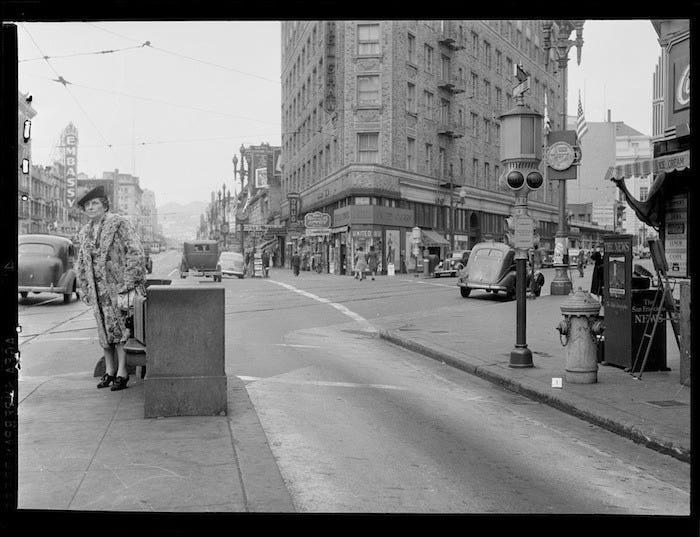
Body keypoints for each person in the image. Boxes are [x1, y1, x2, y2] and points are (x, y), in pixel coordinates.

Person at [75, 185, 147, 392]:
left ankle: (122, 372)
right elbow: (82, 262)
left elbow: (135, 252)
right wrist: (84, 286)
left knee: (121, 329)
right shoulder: (85, 232)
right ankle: (109, 370)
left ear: (104, 205)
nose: (90, 208)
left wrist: (128, 284)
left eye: (95, 203)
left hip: (118, 287)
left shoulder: (119, 224)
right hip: (98, 290)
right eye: (87, 205)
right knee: (104, 331)